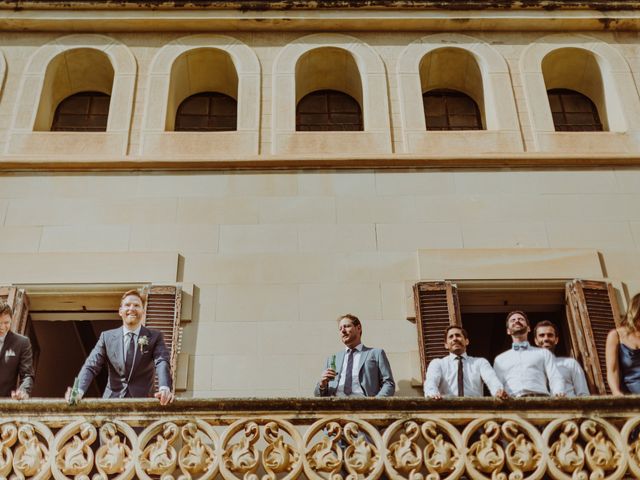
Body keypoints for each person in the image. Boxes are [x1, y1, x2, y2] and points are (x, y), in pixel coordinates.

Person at [65, 290, 174, 405]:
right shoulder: (106, 337)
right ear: (120, 311)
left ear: (143, 311)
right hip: (111, 403)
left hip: (143, 403)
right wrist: (77, 390)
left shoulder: (155, 337)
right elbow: (91, 366)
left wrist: (164, 388)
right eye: (127, 305)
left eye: (137, 305)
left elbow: (162, 362)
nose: (131, 308)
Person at [314, 314, 395, 397]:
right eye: (340, 328)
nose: (343, 331)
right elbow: (318, 395)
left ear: (358, 328)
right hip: (337, 406)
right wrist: (322, 385)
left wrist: (375, 403)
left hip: (365, 405)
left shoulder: (376, 353)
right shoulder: (332, 359)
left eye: (347, 326)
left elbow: (389, 384)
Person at [493, 310, 565, 397]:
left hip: (541, 401)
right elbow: (497, 385)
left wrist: (558, 393)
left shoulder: (544, 353)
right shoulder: (500, 359)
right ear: (508, 331)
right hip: (512, 403)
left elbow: (555, 377)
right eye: (513, 320)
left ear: (528, 328)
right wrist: (498, 393)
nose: (517, 321)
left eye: (520, 319)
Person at [424, 325, 508, 400]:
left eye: (458, 335)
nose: (455, 339)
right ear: (446, 345)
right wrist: (432, 394)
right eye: (451, 337)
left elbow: (491, 379)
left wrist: (498, 391)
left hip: (475, 411)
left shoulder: (480, 363)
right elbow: (431, 382)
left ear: (466, 341)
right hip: (447, 411)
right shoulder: (437, 363)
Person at [534, 320, 589, 396]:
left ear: (556, 340)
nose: (546, 338)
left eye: (550, 335)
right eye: (542, 335)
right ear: (536, 341)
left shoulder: (571, 363)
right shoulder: (531, 368)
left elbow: (583, 394)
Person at [606, 293, 640, 395]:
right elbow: (612, 370)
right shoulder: (616, 335)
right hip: (632, 398)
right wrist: (616, 393)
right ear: (636, 312)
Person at [0, 302, 34, 399]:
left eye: (6, 323)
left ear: (12, 319)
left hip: (4, 405)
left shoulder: (22, 343)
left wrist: (23, 392)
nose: (2, 327)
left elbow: (27, 375)